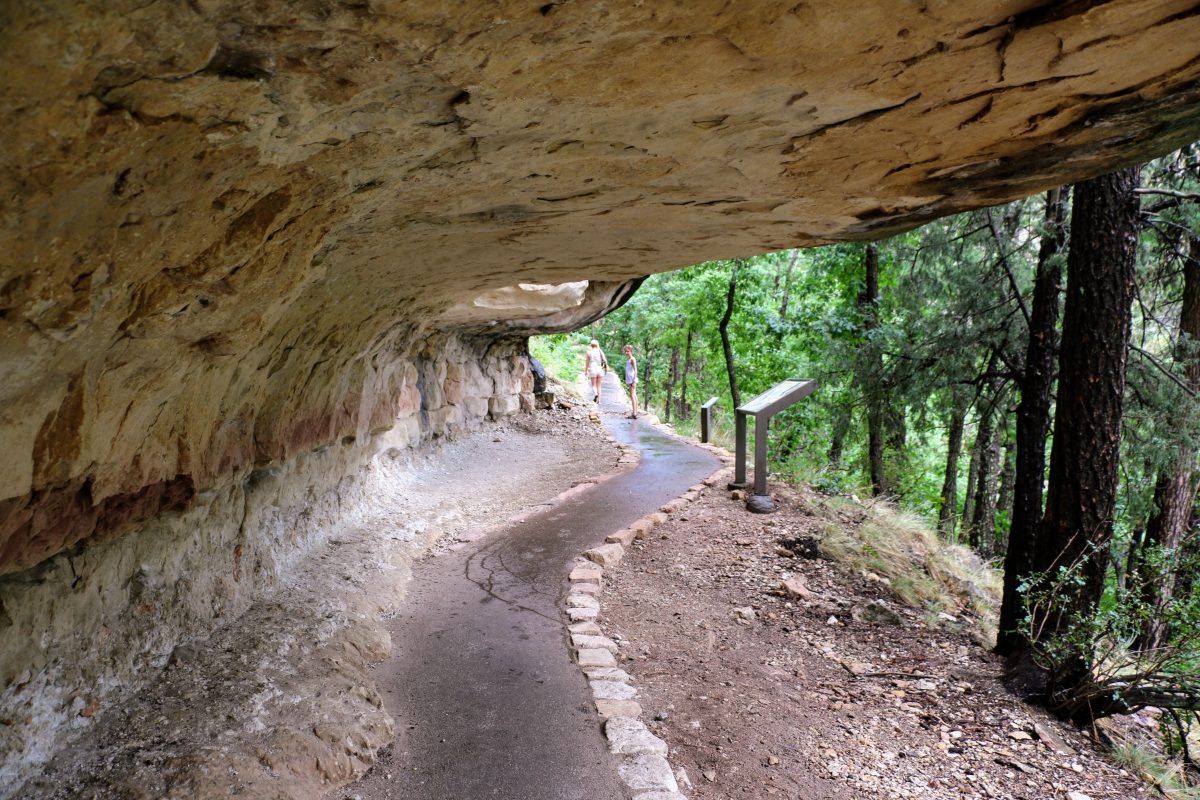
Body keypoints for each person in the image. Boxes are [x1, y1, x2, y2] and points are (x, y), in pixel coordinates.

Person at [623, 344, 639, 418]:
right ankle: (635, 412)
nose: (626, 353)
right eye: (625, 351)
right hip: (630, 379)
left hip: (632, 379)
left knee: (632, 396)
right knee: (633, 395)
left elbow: (635, 370)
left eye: (628, 351)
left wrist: (634, 380)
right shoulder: (629, 359)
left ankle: (634, 413)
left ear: (631, 351)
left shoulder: (632, 359)